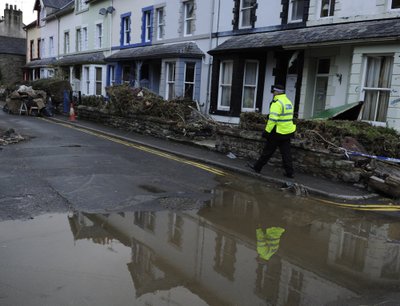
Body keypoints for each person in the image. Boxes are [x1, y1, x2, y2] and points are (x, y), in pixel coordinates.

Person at [247, 84, 296, 178]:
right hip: (287, 131)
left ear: (276, 92)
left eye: (274, 92)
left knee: (267, 151)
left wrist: (267, 131)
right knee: (286, 154)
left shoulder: (277, 103)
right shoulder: (288, 102)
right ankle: (290, 173)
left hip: (277, 132)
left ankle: (257, 167)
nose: (273, 93)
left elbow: (273, 119)